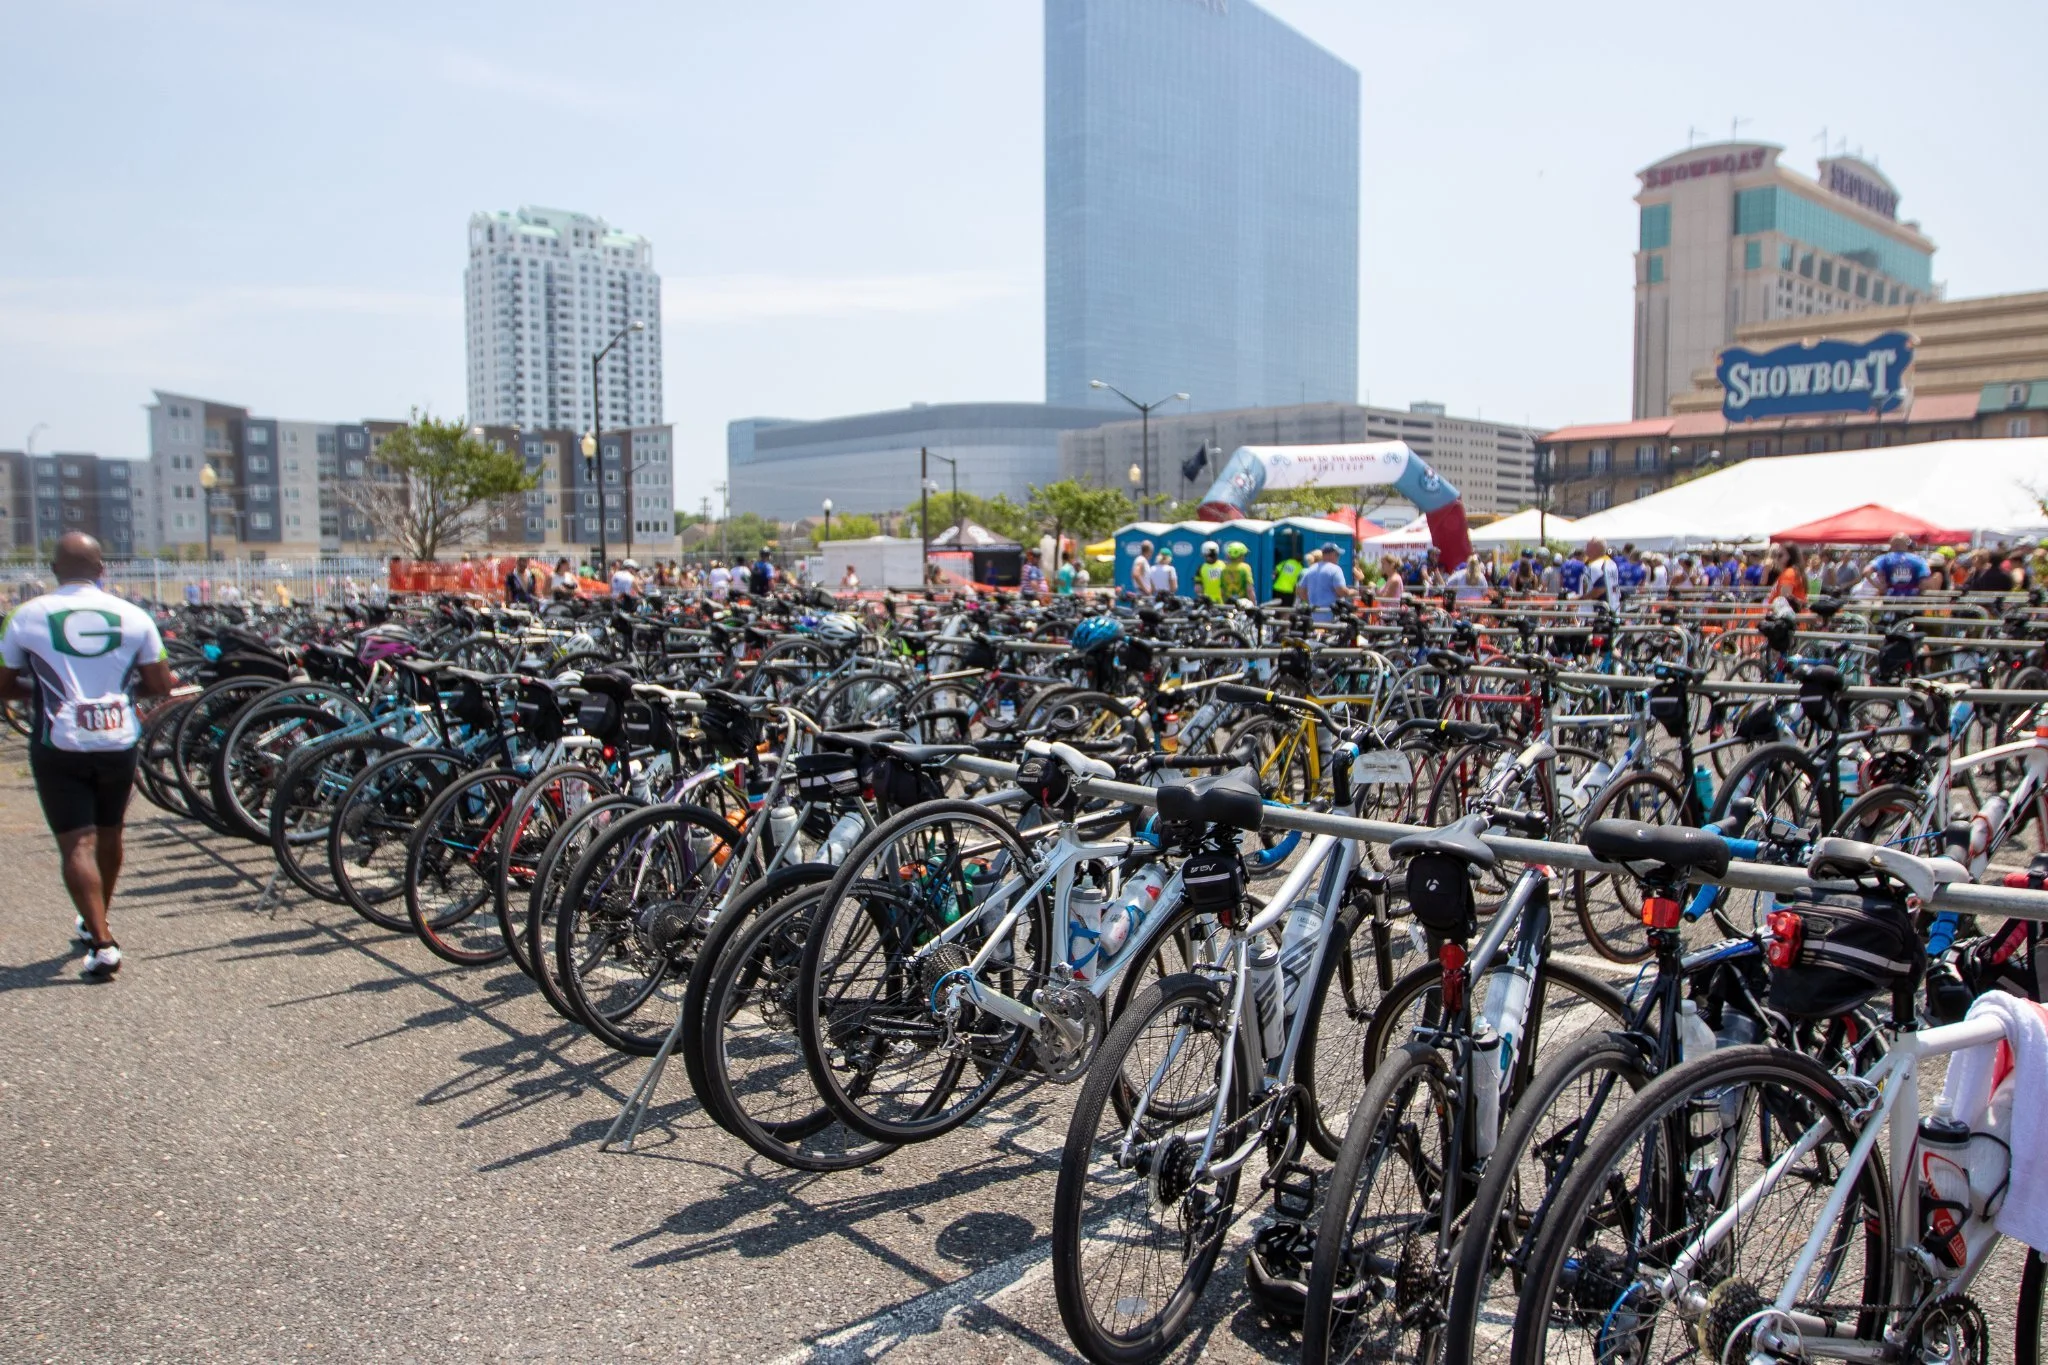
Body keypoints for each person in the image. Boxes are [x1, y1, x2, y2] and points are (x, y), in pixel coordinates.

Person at [0, 533, 179, 980]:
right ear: (103, 570)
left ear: (55, 570)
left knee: (76, 842)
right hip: (118, 738)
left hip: (58, 740)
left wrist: (39, 695)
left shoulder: (25, 616)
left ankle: (102, 942)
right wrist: (118, 695)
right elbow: (160, 683)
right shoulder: (134, 616)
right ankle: (98, 919)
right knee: (110, 833)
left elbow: (3, 685)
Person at [1864, 533, 1930, 597]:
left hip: (1890, 600)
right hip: (1911, 600)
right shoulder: (1918, 560)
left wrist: (1879, 587)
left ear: (1891, 544)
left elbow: (1866, 571)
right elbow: (1924, 583)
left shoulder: (1884, 559)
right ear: (1907, 544)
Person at [1297, 545, 1349, 618]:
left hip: (1314, 616)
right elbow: (1341, 591)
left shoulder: (1311, 569)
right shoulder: (1335, 569)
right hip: (1331, 616)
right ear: (1330, 555)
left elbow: (1301, 591)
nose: (1338, 557)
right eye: (1337, 555)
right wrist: (1352, 592)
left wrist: (1312, 603)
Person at [1579, 537, 1621, 609]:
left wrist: (1580, 599)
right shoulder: (1611, 563)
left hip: (1596, 614)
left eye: (1587, 547)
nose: (1585, 550)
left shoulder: (1595, 566)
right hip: (1613, 608)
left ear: (1594, 550)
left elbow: (1599, 590)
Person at [1766, 543, 1807, 612]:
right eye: (1776, 555)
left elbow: (1784, 602)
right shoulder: (1789, 572)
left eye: (1780, 556)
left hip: (1790, 620)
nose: (1776, 559)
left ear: (1790, 557)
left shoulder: (1789, 573)